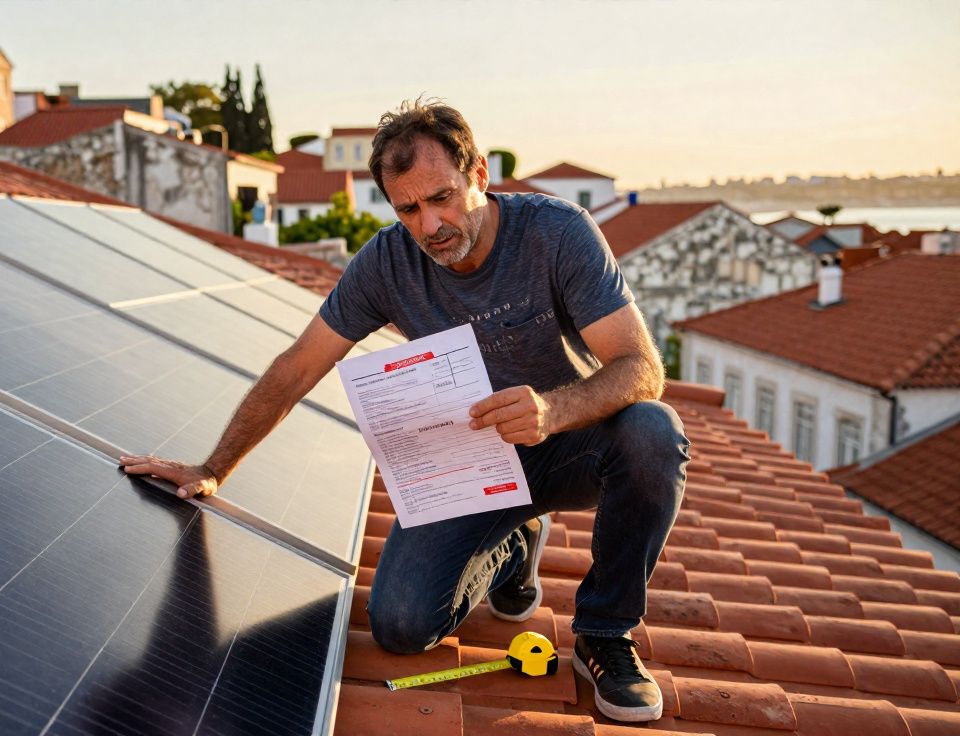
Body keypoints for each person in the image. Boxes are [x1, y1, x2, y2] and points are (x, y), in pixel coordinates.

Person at [121, 99, 689, 723]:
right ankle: (515, 548)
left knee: (652, 431)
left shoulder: (557, 234)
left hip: (572, 441)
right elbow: (299, 365)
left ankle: (605, 633)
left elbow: (642, 368)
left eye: (442, 197)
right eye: (409, 209)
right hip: (471, 462)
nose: (430, 225)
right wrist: (214, 466)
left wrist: (552, 410)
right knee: (399, 624)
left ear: (479, 175)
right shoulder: (387, 264)